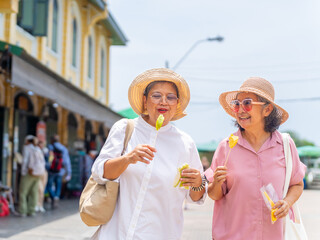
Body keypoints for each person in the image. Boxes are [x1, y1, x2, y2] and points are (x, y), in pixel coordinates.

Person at [91, 68, 207, 239]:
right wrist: (128, 159)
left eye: (170, 97)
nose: (163, 102)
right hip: (117, 233)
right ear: (145, 100)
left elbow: (195, 197)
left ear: (177, 104)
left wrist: (198, 182)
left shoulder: (185, 143)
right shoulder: (125, 129)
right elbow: (100, 173)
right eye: (156, 95)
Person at [205, 77, 306, 239]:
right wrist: (216, 182)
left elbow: (297, 184)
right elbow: (215, 194)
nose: (240, 110)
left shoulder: (285, 145)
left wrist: (287, 202)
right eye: (237, 105)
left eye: (247, 103)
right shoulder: (226, 147)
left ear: (267, 110)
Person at [19, 136, 46, 217]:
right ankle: (31, 210)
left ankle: (23, 210)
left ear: (27, 141)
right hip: (39, 173)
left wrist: (23, 172)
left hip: (29, 172)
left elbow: (25, 160)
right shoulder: (37, 149)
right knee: (34, 192)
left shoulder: (27, 148)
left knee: (23, 192)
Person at [46, 135, 71, 207]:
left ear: (52, 140)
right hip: (60, 170)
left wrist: (47, 167)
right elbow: (67, 162)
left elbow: (48, 159)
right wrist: (69, 172)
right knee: (58, 185)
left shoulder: (50, 147)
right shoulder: (63, 148)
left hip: (51, 170)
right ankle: (56, 197)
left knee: (49, 186)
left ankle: (53, 196)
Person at [35, 140, 48, 213]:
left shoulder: (46, 151)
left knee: (42, 189)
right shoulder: (36, 151)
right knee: (39, 189)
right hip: (38, 172)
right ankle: (37, 204)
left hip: (44, 171)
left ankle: (40, 205)